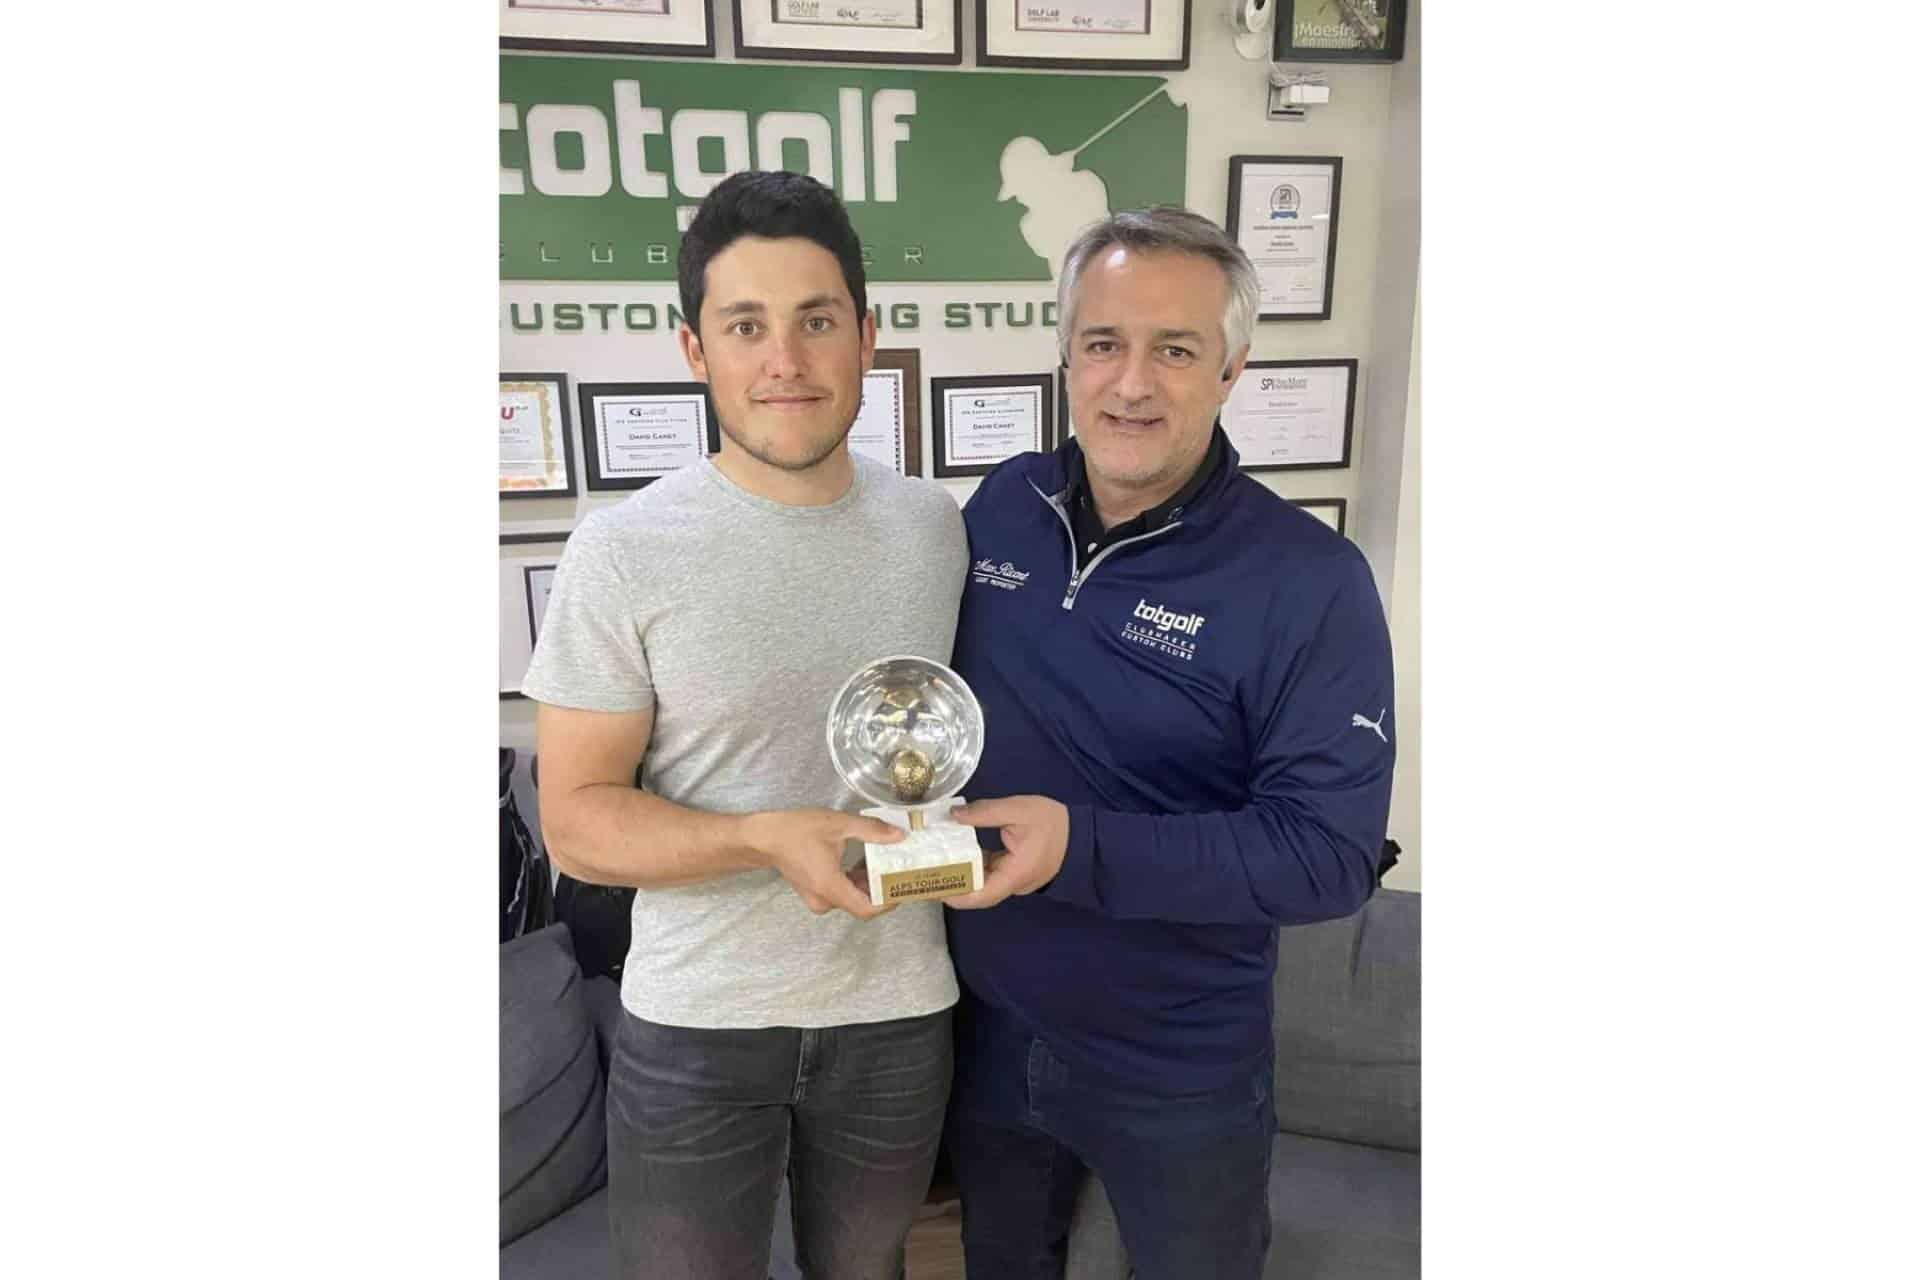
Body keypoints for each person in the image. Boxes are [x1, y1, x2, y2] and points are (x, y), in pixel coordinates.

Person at [522, 170, 967, 1280]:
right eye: (746, 325)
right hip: (697, 1026)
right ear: (694, 349)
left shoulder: (937, 529)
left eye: (816, 320)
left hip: (898, 1013)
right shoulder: (622, 550)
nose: (786, 360)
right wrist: (765, 838)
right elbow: (575, 824)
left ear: (865, 335)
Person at [939, 206, 1397, 1279]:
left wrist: (1079, 846)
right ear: (1067, 355)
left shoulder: (1309, 580)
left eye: (1176, 350)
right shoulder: (1003, 504)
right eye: (1104, 343)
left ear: (1232, 369)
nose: (1131, 384)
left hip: (1179, 1066)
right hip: (991, 1029)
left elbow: (1328, 856)